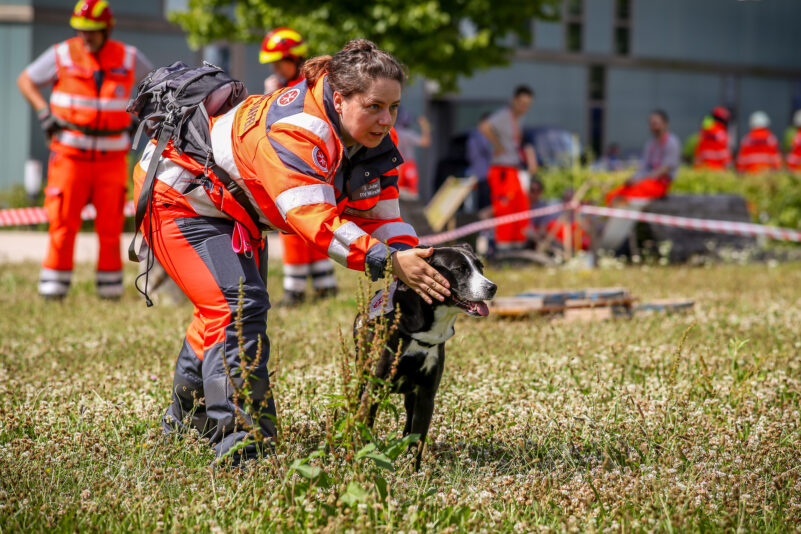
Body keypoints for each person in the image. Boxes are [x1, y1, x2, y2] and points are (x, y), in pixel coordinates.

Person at [132, 39, 451, 463]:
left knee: (224, 311)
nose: (386, 120)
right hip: (179, 197)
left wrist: (413, 257)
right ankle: (244, 446)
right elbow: (315, 221)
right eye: (375, 106)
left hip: (233, 209)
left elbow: (382, 215)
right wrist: (389, 261)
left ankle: (184, 421)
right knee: (236, 306)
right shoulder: (297, 129)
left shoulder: (370, 137)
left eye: (393, 108)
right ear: (339, 98)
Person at [17, 0, 152, 299]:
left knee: (110, 227)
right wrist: (43, 112)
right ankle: (53, 290)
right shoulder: (62, 53)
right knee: (62, 225)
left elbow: (154, 85)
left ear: (107, 29)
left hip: (112, 160)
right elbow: (26, 80)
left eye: (92, 32)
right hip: (69, 159)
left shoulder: (129, 57)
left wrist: (138, 115)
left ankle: (110, 291)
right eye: (81, 31)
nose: (85, 37)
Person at [260, 26, 338, 305]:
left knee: (293, 224)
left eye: (277, 62)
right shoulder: (295, 84)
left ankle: (295, 291)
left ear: (291, 59)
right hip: (303, 162)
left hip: (299, 164)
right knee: (311, 222)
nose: (274, 68)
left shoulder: (305, 86)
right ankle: (324, 285)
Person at [479, 85, 536, 250]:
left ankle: (518, 246)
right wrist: (497, 145)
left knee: (520, 208)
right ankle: (503, 249)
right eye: (522, 103)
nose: (524, 107)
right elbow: (484, 127)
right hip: (502, 170)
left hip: (514, 169)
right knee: (505, 210)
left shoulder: (518, 118)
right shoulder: (505, 115)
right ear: (514, 101)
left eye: (528, 104)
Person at [605, 110, 680, 205]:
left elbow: (664, 170)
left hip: (660, 184)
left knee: (627, 198)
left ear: (665, 124)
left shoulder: (672, 142)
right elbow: (644, 167)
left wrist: (640, 179)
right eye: (651, 124)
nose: (653, 127)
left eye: (656, 123)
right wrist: (633, 179)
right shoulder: (650, 144)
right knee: (612, 195)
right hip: (645, 182)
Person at [394, 109, 431, 200]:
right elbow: (425, 142)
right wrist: (425, 126)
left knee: (396, 193)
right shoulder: (407, 133)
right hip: (407, 165)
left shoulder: (393, 132)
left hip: (396, 165)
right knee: (412, 193)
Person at [465, 112, 493, 212]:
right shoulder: (480, 136)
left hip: (478, 173)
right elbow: (489, 151)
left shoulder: (472, 137)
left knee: (480, 203)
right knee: (484, 204)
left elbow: (469, 156)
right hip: (483, 174)